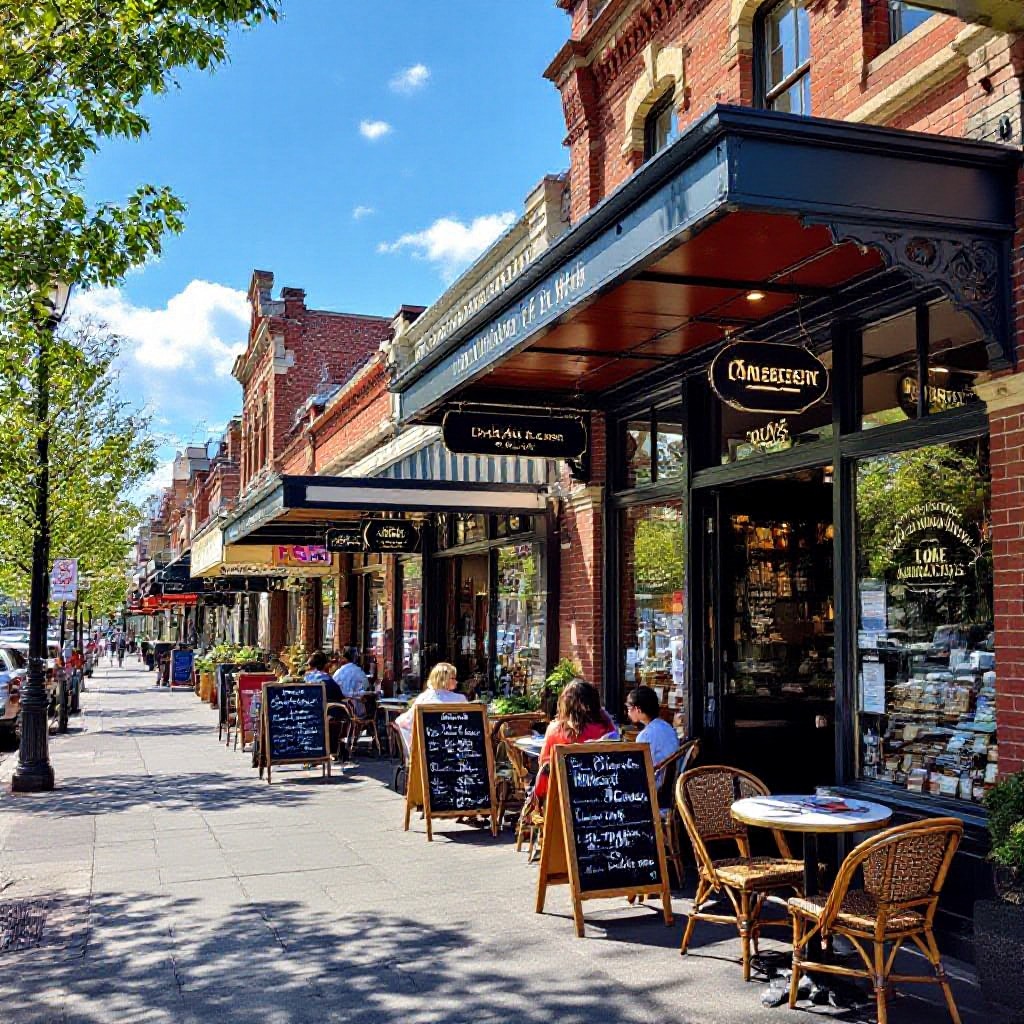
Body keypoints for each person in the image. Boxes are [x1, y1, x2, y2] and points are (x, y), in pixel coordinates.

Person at [533, 680, 610, 801]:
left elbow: (544, 763)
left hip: (561, 797)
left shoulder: (555, 730)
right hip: (602, 794)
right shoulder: (606, 728)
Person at [395, 661, 466, 752]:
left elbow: (407, 721)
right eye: (453, 678)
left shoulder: (425, 698)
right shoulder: (460, 699)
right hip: (455, 746)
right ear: (443, 679)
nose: (456, 681)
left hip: (429, 747)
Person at [626, 685, 679, 786]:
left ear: (638, 709)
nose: (628, 712)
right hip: (670, 784)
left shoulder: (645, 736)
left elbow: (640, 769)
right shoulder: (666, 726)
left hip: (655, 786)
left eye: (629, 708)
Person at [333, 646, 370, 716]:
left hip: (340, 708)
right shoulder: (359, 671)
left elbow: (334, 689)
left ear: (344, 659)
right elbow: (366, 687)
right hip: (356, 710)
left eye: (340, 657)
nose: (339, 660)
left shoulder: (338, 672)